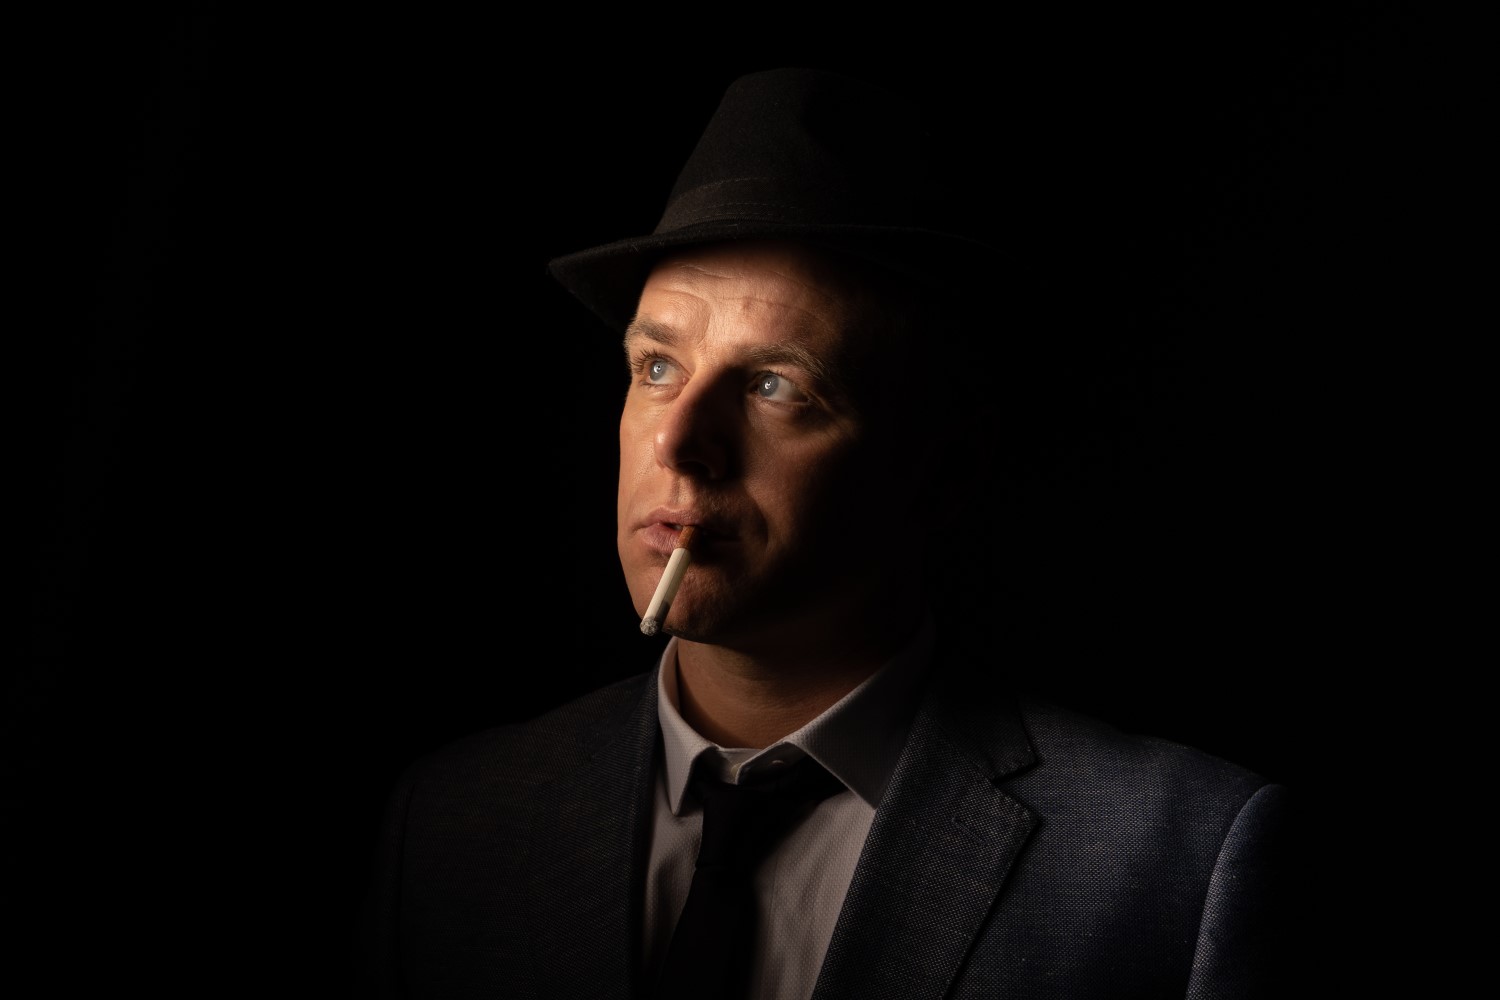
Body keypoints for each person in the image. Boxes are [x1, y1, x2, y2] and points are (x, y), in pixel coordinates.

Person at [355, 66, 1295, 999]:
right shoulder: (452, 821)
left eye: (777, 386)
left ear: (944, 465)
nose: (678, 442)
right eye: (657, 367)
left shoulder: (1181, 860)